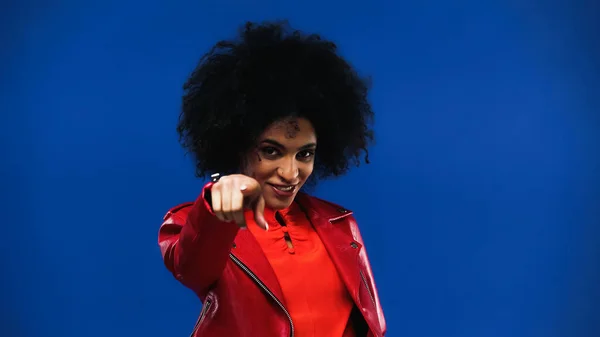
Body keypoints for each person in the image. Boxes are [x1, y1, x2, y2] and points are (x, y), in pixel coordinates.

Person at [158, 20, 386, 337]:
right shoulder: (201, 223)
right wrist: (218, 205)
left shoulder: (339, 223)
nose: (291, 173)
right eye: (271, 151)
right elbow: (191, 268)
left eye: (304, 154)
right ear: (237, 145)